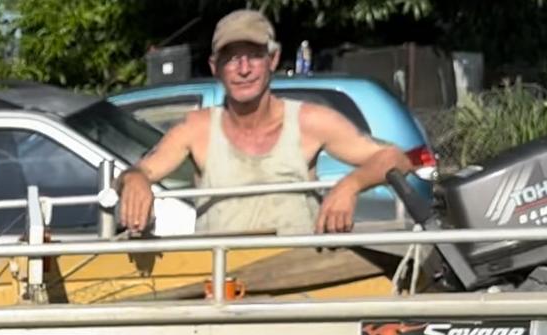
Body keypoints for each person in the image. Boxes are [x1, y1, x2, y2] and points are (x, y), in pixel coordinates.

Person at [118, 9, 413, 237]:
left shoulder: (310, 120)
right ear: (215, 67)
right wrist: (136, 182)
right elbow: (139, 171)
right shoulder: (197, 128)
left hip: (298, 284)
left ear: (273, 60)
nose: (243, 69)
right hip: (221, 288)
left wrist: (350, 185)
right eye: (232, 59)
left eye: (254, 57)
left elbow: (396, 158)